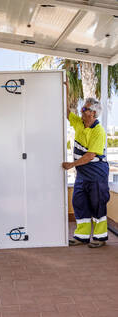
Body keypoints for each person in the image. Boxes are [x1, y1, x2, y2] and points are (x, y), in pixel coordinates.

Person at [62, 83, 110, 248]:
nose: (81, 112)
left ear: (93, 113)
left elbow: (90, 155)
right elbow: (66, 111)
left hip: (97, 174)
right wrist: (66, 89)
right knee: (79, 202)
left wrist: (71, 165)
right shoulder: (79, 124)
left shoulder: (99, 131)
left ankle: (100, 237)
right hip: (82, 174)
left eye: (84, 110)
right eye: (82, 109)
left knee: (97, 205)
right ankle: (81, 236)